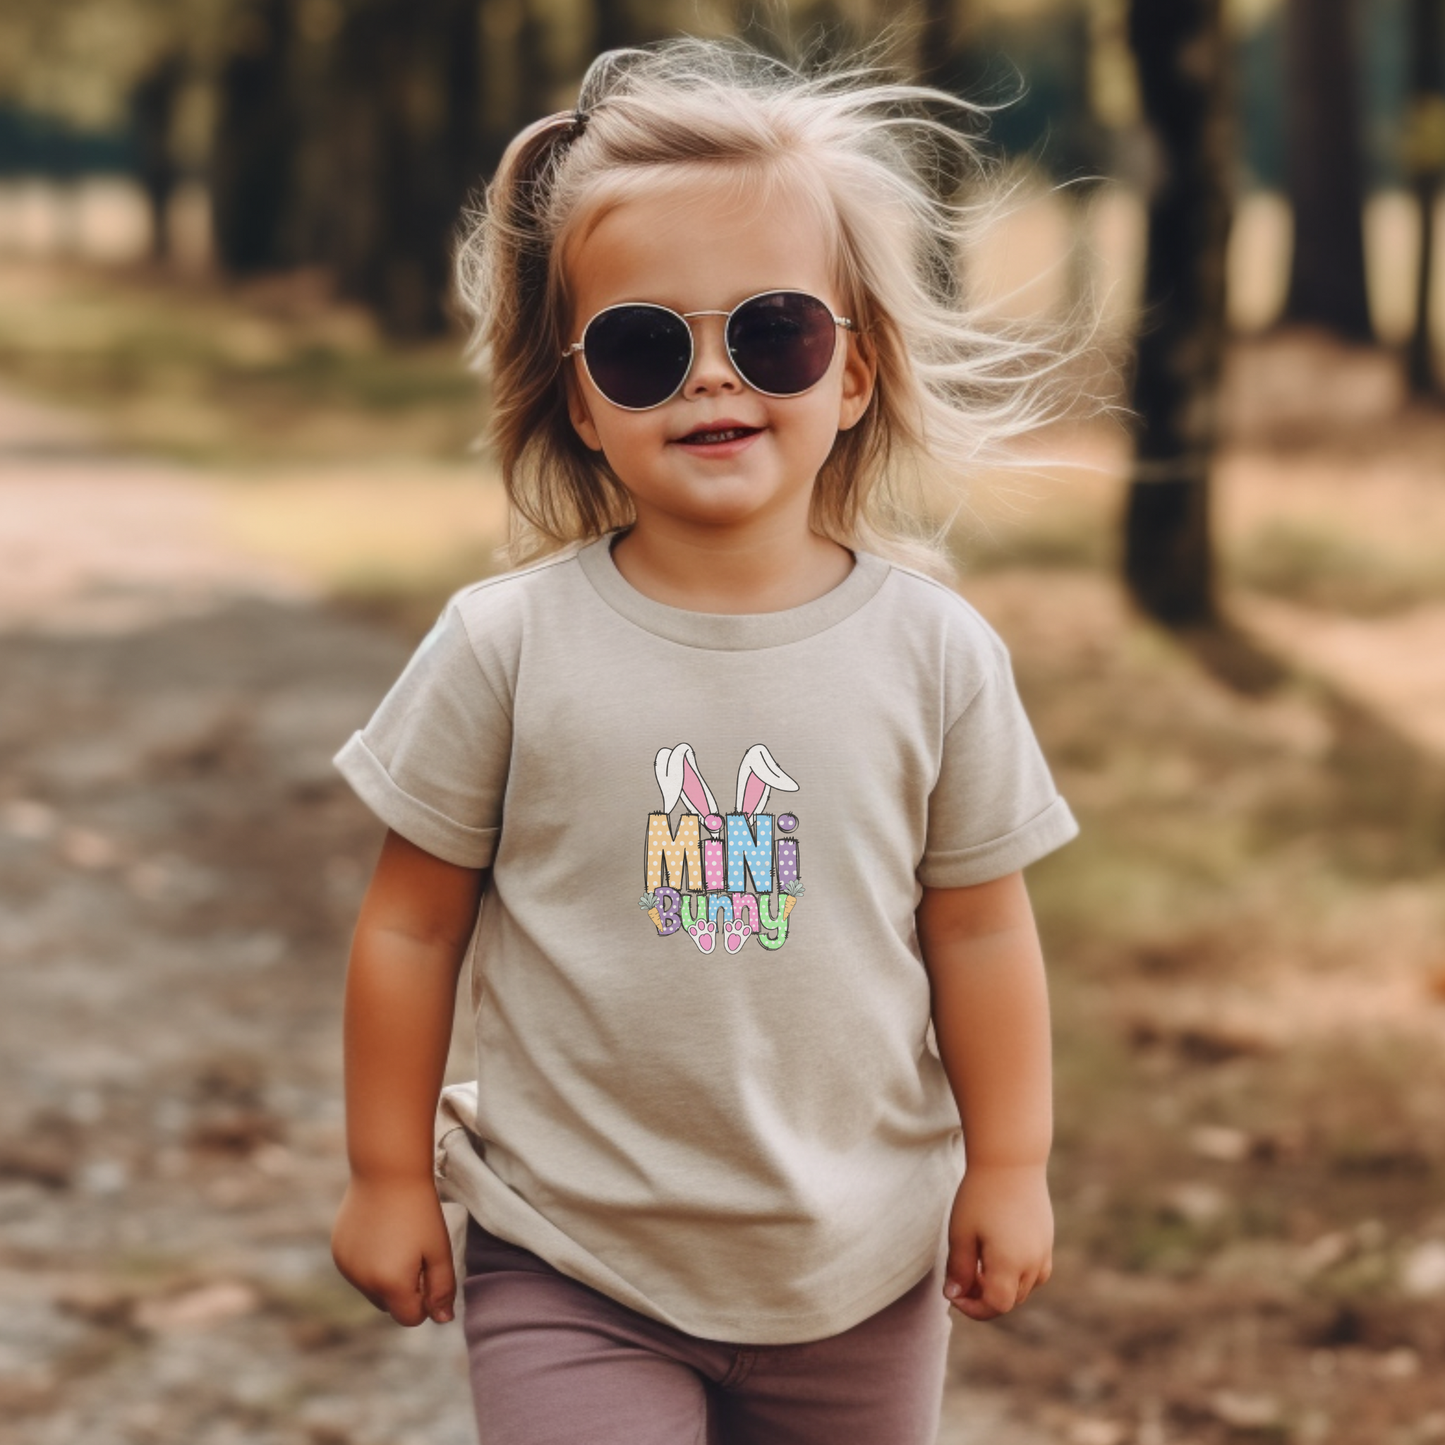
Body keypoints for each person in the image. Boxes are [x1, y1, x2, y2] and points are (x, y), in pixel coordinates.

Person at [330, 39, 1079, 1445]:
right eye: (644, 344)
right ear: (579, 399)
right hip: (573, 1261)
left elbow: (980, 933)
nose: (713, 379)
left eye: (776, 333)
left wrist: (1014, 1163)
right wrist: (385, 1173)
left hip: (857, 1270)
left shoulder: (935, 656)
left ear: (853, 373)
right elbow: (409, 929)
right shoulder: (506, 649)